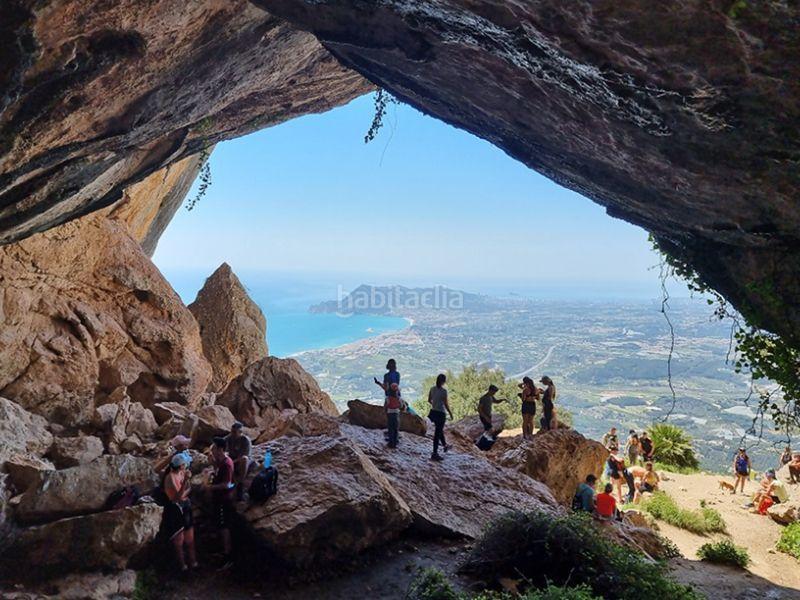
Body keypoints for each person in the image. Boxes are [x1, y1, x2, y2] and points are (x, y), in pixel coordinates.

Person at [162, 452, 197, 572]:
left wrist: (186, 484)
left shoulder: (181, 473)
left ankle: (193, 562)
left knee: (190, 538)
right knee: (179, 541)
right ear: (181, 465)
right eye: (185, 464)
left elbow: (187, 490)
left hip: (185, 506)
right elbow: (177, 497)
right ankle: (183, 566)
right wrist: (186, 482)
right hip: (176, 509)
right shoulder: (170, 477)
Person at [206, 437, 235, 569]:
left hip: (224, 499)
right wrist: (213, 464)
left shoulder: (227, 464)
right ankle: (222, 550)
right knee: (219, 524)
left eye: (213, 448)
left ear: (220, 449)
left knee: (224, 527)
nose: (211, 450)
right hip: (218, 499)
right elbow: (217, 471)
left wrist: (211, 487)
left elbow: (226, 484)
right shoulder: (220, 461)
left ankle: (228, 555)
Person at [427, 374, 453, 461]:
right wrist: (450, 413)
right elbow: (446, 404)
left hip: (434, 412)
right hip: (441, 413)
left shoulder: (432, 389)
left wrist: (434, 405)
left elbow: (429, 400)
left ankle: (445, 445)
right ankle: (435, 453)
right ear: (443, 382)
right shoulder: (444, 391)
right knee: (437, 433)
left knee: (439, 429)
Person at [224, 422, 252, 501]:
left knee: (244, 459)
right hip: (232, 461)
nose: (232, 434)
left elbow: (244, 456)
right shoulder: (228, 438)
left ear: (240, 432)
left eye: (234, 432)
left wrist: (231, 462)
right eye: (231, 432)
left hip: (241, 462)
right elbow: (219, 444)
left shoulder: (245, 441)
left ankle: (240, 484)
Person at [385, 383, 402, 449]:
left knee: (390, 428)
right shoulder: (399, 398)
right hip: (396, 413)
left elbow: (386, 406)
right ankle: (395, 442)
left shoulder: (387, 398)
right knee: (396, 428)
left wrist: (385, 412)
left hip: (389, 413)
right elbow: (401, 406)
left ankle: (391, 443)